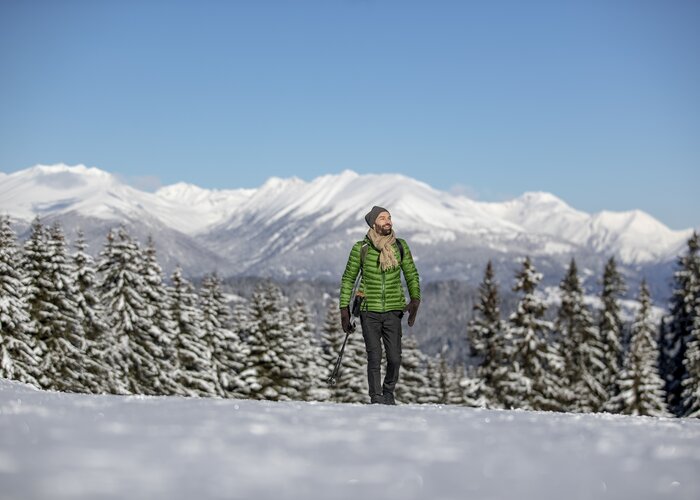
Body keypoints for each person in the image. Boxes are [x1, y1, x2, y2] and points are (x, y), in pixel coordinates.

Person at [339, 205, 421, 405]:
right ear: (373, 223)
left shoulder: (400, 246)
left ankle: (388, 392)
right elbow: (349, 279)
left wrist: (415, 300)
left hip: (394, 310)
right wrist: (344, 310)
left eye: (389, 217)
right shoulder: (361, 248)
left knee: (394, 358)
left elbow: (411, 274)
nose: (388, 221)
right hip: (369, 311)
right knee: (374, 357)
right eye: (383, 218)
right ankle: (376, 397)